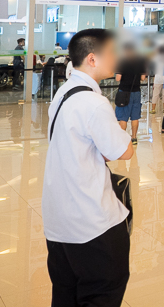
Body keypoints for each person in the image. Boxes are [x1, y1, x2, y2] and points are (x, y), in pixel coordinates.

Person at [42, 29, 134, 307]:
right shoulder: (95, 103)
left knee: (65, 295)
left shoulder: (63, 93)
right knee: (103, 293)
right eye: (112, 52)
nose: (117, 57)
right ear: (92, 59)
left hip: (59, 222)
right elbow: (123, 151)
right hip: (92, 224)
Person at [115, 45, 147, 145]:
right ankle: (134, 137)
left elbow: (118, 78)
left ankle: (123, 139)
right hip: (136, 92)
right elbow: (142, 78)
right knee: (135, 116)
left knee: (123, 117)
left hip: (124, 92)